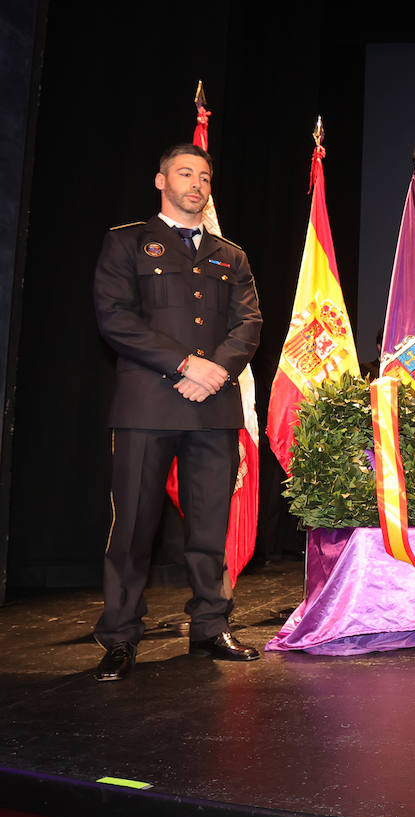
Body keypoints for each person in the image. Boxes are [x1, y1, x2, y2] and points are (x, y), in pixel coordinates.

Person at [91, 143, 263, 681]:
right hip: (147, 404)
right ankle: (120, 636)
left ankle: (212, 627)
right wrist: (185, 365)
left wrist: (214, 370)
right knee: (134, 527)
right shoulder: (127, 243)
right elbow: (115, 318)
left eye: (204, 177)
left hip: (213, 405)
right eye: (185, 174)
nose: (196, 184)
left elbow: (249, 324)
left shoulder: (230, 255)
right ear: (161, 181)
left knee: (210, 526)